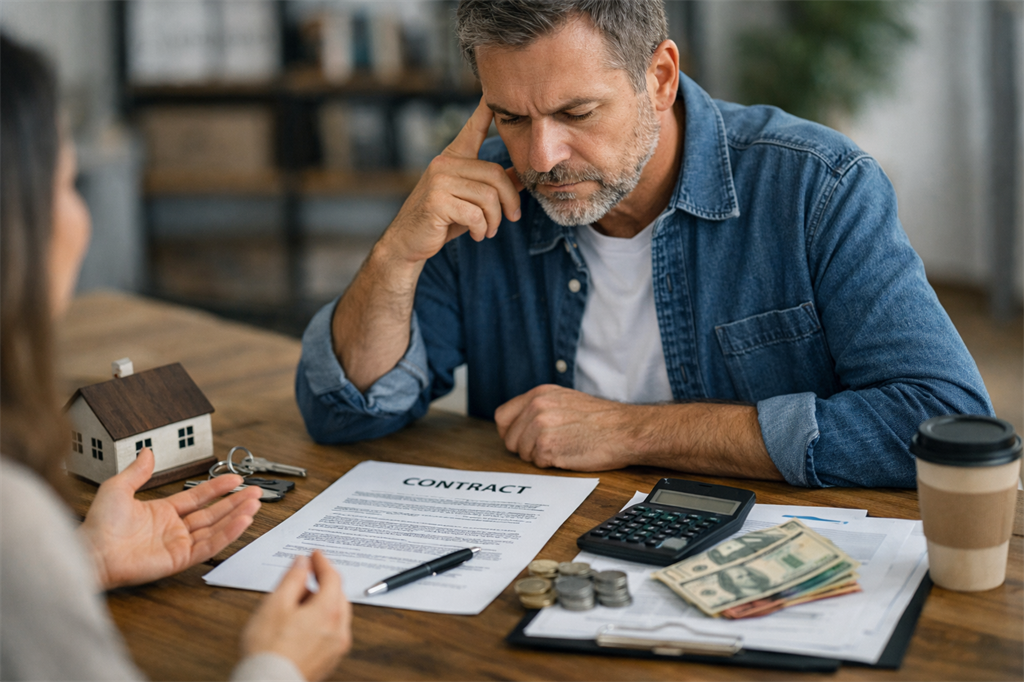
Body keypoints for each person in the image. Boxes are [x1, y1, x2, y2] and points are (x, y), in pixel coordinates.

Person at [295, 0, 992, 488]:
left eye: (576, 112)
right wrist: (396, 255)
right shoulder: (482, 200)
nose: (542, 157)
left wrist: (633, 432)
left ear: (658, 77)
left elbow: (942, 422)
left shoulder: (818, 187)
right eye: (509, 116)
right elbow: (344, 413)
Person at [0, 34, 351, 682]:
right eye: (66, 183)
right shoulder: (12, 522)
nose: (82, 218)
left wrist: (84, 560)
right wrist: (280, 665)